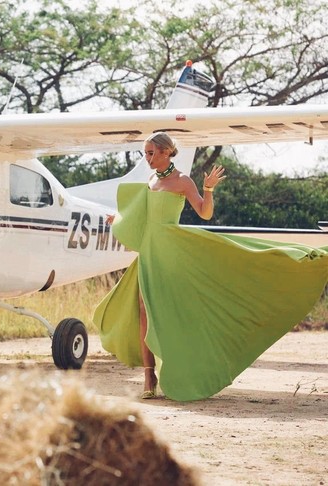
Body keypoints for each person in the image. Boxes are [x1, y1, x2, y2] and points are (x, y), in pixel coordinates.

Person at [94, 132, 328, 402]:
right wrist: (119, 219)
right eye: (144, 153)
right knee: (144, 310)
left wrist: (208, 189)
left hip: (173, 251)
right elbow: (142, 216)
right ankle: (149, 375)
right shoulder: (151, 180)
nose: (147, 158)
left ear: (166, 152)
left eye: (151, 153)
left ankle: (191, 366)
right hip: (150, 251)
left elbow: (204, 212)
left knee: (171, 312)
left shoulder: (182, 180)